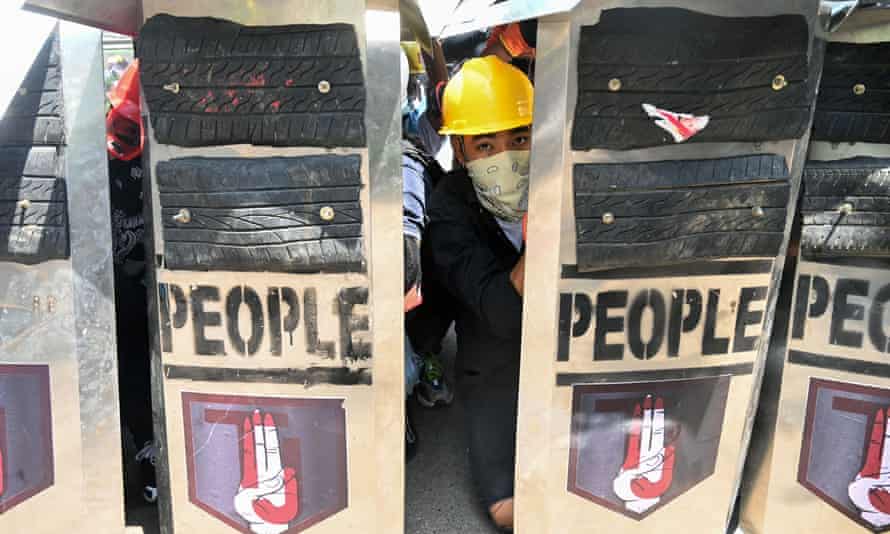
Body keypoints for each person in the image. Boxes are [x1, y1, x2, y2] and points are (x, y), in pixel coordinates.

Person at [426, 55, 533, 530]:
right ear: (462, 151)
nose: (505, 157)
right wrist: (550, 226)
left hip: (569, 341)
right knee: (508, 509)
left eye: (519, 138)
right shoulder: (448, 208)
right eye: (486, 144)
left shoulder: (562, 177)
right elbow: (503, 313)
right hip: (492, 354)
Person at [106, 60, 157, 505]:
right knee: (122, 371)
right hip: (109, 287)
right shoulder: (94, 157)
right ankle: (136, 453)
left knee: (142, 367)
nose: (123, 133)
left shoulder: (163, 150)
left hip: (149, 283)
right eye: (119, 120)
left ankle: (148, 452)